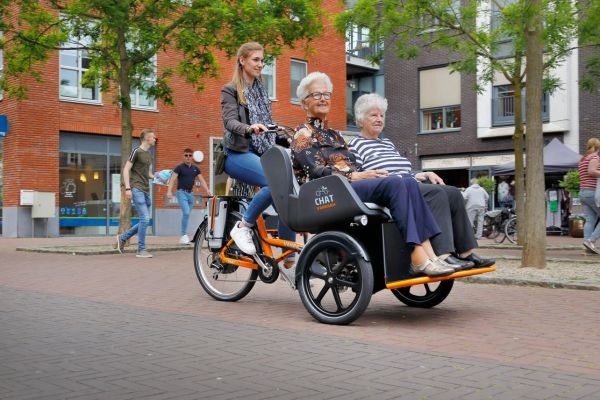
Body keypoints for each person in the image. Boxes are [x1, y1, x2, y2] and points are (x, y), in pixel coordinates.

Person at [291, 72, 455, 277]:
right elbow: (314, 170)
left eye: (327, 94)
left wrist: (365, 174)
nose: (323, 98)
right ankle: (417, 256)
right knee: (395, 183)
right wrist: (354, 176)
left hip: (347, 188)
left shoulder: (336, 135)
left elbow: (353, 165)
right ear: (304, 104)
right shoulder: (302, 133)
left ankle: (429, 254)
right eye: (316, 94)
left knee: (407, 182)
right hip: (327, 192)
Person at [348, 93, 494, 269]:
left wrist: (421, 173)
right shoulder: (355, 145)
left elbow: (403, 170)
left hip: (408, 183)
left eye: (381, 115)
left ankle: (465, 252)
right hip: (392, 190)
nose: (379, 119)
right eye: (373, 115)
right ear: (361, 120)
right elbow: (362, 176)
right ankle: (443, 253)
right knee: (436, 193)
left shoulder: (387, 143)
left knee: (453, 193)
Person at [220, 42, 296, 270]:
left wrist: (287, 137)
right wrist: (249, 128)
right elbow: (230, 122)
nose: (260, 65)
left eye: (262, 60)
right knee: (274, 182)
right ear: (242, 60)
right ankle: (243, 226)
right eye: (255, 60)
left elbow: (268, 126)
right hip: (237, 153)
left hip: (262, 152)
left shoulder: (262, 90)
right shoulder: (230, 89)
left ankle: (288, 247)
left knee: (287, 186)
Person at [115, 128, 157, 258]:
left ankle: (123, 237)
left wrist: (158, 177)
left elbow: (147, 174)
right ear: (146, 138)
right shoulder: (136, 151)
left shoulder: (149, 154)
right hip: (136, 188)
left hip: (145, 189)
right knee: (145, 219)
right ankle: (141, 250)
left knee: (144, 220)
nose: (155, 139)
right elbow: (126, 169)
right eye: (153, 137)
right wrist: (128, 188)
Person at [167, 148, 211, 245]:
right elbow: (172, 179)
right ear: (183, 156)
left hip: (190, 194)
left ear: (192, 157)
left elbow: (202, 180)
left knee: (186, 215)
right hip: (181, 192)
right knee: (186, 212)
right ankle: (183, 235)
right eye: (186, 155)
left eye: (190, 155)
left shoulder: (195, 169)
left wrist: (207, 190)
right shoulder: (179, 168)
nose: (188, 157)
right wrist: (169, 191)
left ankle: (183, 236)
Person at [578, 138, 600, 254]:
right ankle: (591, 240)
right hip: (592, 192)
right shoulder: (594, 157)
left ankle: (587, 244)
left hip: (583, 192)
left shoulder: (583, 159)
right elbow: (591, 171)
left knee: (590, 219)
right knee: (591, 219)